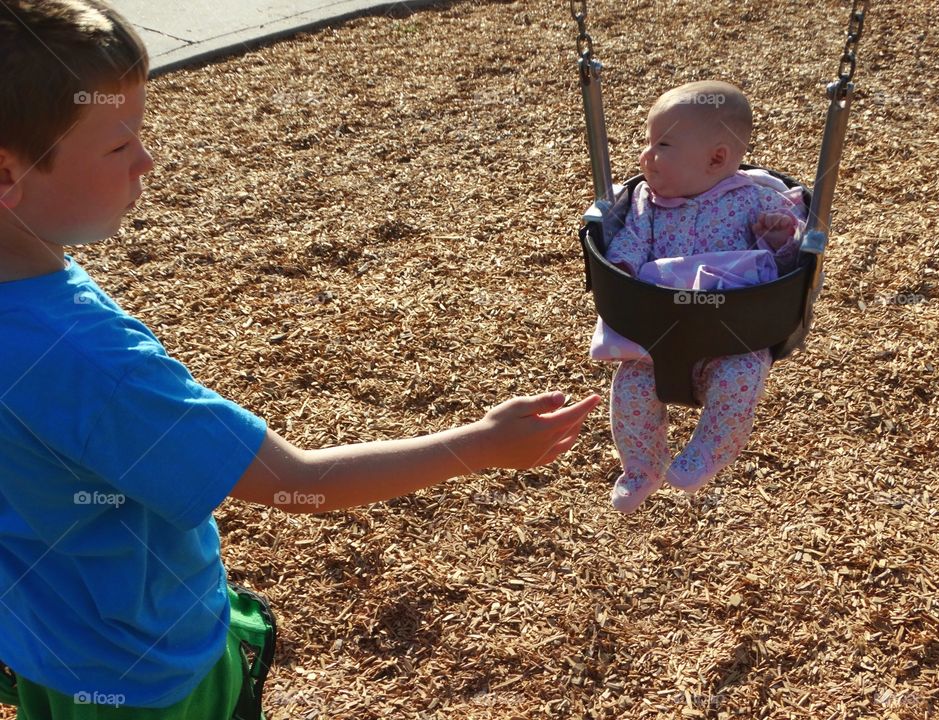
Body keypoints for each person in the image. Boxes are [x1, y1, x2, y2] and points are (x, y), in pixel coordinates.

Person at [0, 1, 601, 717]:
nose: (148, 162)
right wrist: (481, 445)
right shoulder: (94, 366)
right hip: (143, 673)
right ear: (8, 173)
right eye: (118, 146)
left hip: (45, 636)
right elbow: (297, 483)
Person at [589, 80, 806, 514]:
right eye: (647, 142)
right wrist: (625, 267)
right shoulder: (644, 203)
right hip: (656, 334)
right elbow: (629, 240)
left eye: (662, 145)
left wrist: (780, 237)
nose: (646, 156)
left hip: (733, 335)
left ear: (717, 158)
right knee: (630, 393)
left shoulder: (754, 199)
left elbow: (784, 260)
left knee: (740, 382)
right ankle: (640, 468)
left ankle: (708, 452)